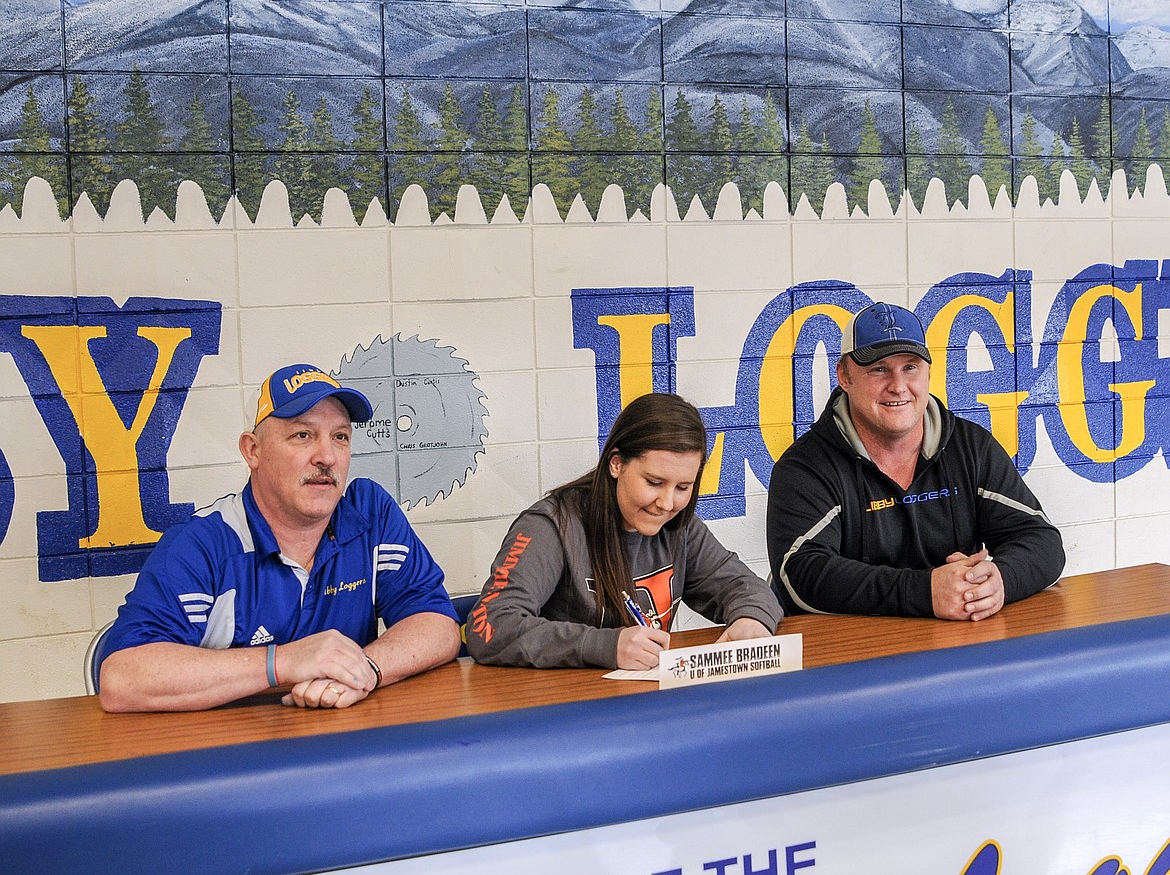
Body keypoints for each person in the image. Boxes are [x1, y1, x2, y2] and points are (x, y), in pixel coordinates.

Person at [98, 363, 460, 712]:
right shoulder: (204, 543)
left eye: (340, 437)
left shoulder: (369, 513)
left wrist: (362, 670)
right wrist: (282, 662)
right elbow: (123, 678)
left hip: (339, 747)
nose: (327, 457)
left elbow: (438, 624)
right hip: (228, 757)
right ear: (252, 451)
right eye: (302, 435)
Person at [767, 301, 1065, 621]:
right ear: (844, 375)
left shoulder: (970, 447)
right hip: (850, 655)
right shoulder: (804, 468)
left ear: (927, 374)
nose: (898, 386)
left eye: (910, 367)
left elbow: (1043, 541)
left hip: (953, 648)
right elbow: (799, 573)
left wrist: (999, 581)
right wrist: (924, 591)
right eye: (879, 369)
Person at [467, 392, 782, 669]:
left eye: (683, 487)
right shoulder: (551, 526)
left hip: (643, 707)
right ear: (616, 464)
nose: (667, 502)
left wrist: (751, 621)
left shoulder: (679, 527)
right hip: (561, 713)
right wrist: (604, 646)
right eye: (654, 483)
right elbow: (490, 627)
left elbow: (748, 587)